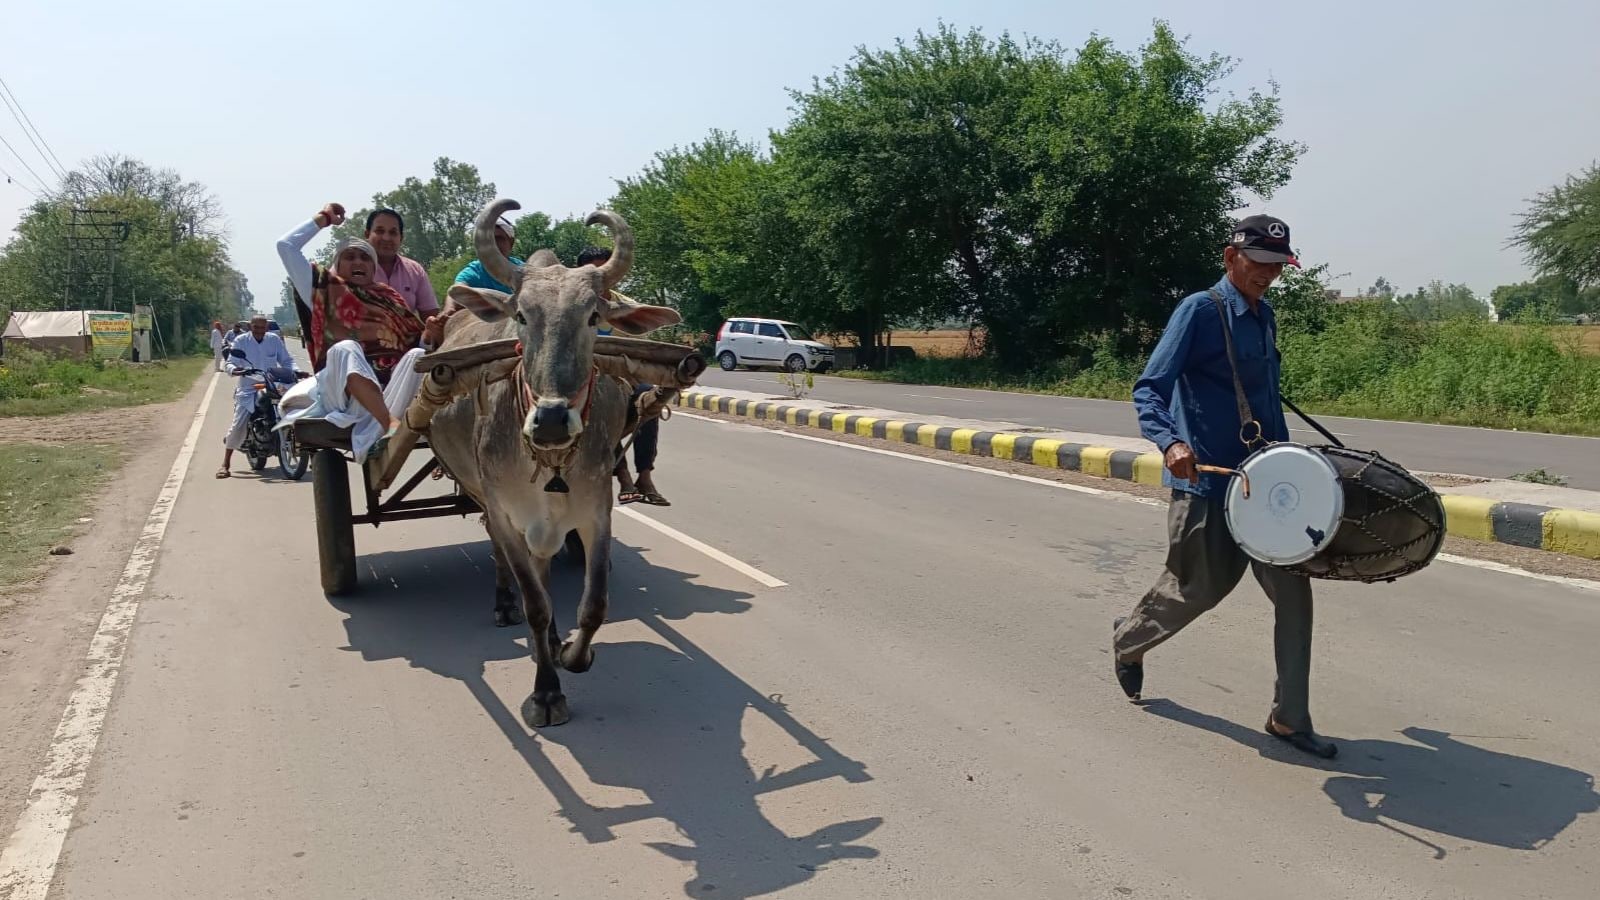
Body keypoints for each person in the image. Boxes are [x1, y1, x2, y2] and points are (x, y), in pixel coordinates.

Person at [1111, 214, 1337, 760]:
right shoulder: (1200, 311)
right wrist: (1170, 443)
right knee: (1198, 591)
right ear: (1230, 257)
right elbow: (1150, 388)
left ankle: (1289, 718)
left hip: (1267, 488)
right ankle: (1130, 639)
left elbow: (1266, 403)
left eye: (1278, 267)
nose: (1268, 275)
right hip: (1208, 483)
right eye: (1260, 264)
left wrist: (1294, 468)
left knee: (1295, 596)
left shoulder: (1266, 317)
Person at [274, 203, 434, 463]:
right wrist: (323, 218)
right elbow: (286, 247)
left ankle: (402, 423)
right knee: (346, 348)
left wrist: (429, 335)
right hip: (344, 391)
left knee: (417, 355)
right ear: (338, 264)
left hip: (390, 388)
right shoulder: (323, 289)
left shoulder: (389, 298)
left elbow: (413, 340)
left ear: (373, 268)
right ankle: (389, 424)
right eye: (350, 257)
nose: (358, 262)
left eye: (364, 258)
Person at [577, 246, 670, 506]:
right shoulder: (571, 306)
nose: (604, 279)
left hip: (623, 378)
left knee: (649, 399)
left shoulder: (626, 307)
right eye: (597, 273)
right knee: (601, 404)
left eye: (609, 272)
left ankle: (645, 475)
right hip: (582, 381)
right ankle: (624, 476)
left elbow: (640, 348)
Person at [218, 314, 297, 478]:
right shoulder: (241, 341)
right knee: (239, 423)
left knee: (295, 410)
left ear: (267, 328)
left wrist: (295, 371)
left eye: (263, 327)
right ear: (250, 327)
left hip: (273, 385)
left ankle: (303, 450)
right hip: (249, 388)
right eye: (256, 327)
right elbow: (231, 362)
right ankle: (225, 464)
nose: (259, 330)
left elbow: (286, 360)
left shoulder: (274, 340)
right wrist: (235, 370)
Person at [365, 208, 440, 316]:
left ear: (401, 238)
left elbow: (431, 316)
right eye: (380, 231)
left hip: (407, 333)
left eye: (393, 232)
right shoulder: (350, 266)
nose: (386, 238)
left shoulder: (415, 271)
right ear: (367, 234)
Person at [453, 218, 522, 293]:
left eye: (498, 238)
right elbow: (456, 297)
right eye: (486, 239)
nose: (492, 244)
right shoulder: (472, 274)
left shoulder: (524, 271)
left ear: (511, 243)